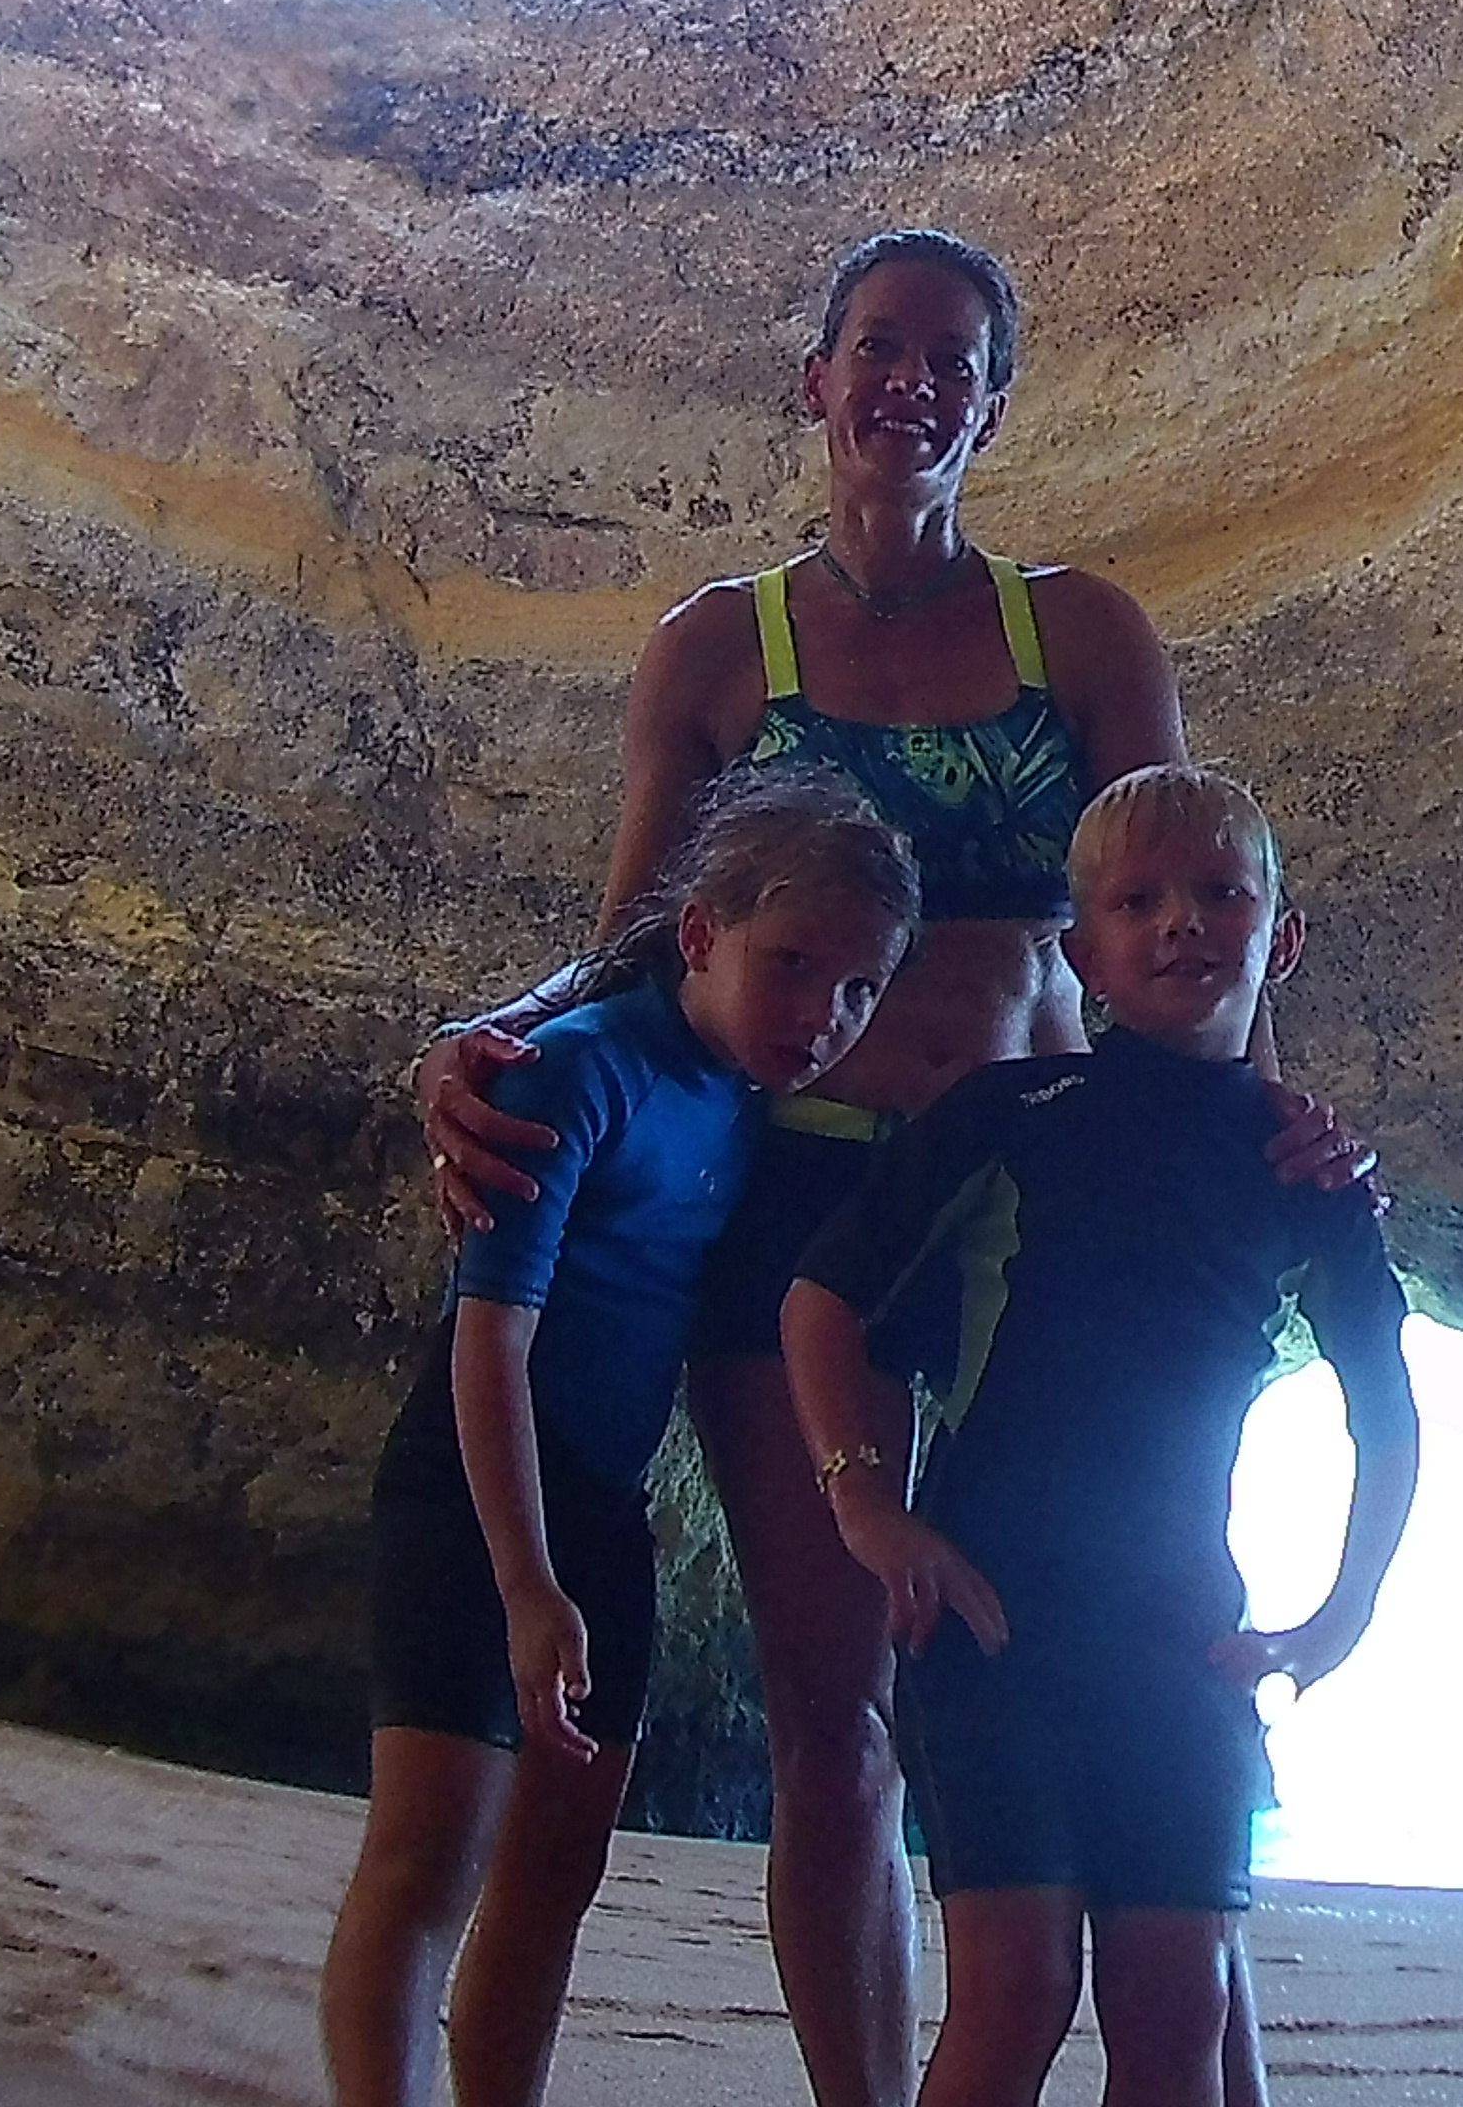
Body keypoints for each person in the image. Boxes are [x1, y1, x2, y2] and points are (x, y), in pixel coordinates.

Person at [409, 228, 1368, 2107]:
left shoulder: (1079, 634)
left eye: (953, 359)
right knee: (837, 1712)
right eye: (880, 347)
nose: (913, 381)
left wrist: (1267, 1156)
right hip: (799, 1199)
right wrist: (473, 1038)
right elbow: (636, 944)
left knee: (1147, 1638)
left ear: (991, 406)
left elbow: (1178, 923)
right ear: (820, 379)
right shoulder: (717, 647)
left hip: (1047, 1211)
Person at [784, 766, 1423, 2107]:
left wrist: (1342, 1612)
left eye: (1221, 893)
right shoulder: (1006, 1116)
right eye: (1138, 903)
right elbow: (821, 1301)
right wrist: (866, 1507)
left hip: (1183, 1635)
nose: (1181, 922)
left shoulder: (1302, 1167)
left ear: (1281, 938)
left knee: (1178, 2006)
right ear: (1082, 954)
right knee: (1014, 1990)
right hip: (991, 1622)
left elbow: (1385, 1405)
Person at [323, 763, 921, 2107]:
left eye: (858, 989)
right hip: (475, 1495)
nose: (821, 1014)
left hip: (597, 1508)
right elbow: (491, 1339)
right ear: (702, 933)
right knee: (427, 1856)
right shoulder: (578, 1071)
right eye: (792, 965)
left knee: (556, 1870)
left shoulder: (738, 1096)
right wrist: (526, 1580)